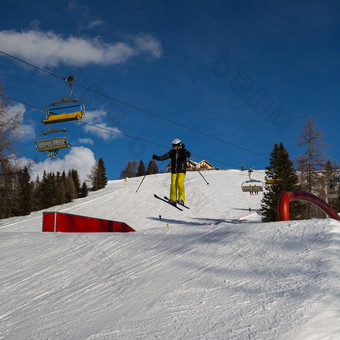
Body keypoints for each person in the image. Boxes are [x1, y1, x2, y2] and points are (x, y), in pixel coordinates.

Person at [153, 138, 191, 206]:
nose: (174, 147)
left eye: (175, 145)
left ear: (179, 145)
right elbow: (163, 157)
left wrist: (187, 154)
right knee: (173, 184)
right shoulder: (172, 152)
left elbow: (188, 154)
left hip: (181, 170)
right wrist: (157, 157)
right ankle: (173, 199)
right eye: (173, 146)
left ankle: (181, 199)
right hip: (174, 171)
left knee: (179, 183)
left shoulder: (183, 151)